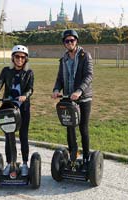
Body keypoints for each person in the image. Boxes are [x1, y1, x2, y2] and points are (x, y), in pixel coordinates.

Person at [0, 45, 34, 177]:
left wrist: (25, 95)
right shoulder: (6, 71)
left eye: (22, 57)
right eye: (17, 56)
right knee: (9, 136)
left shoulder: (29, 73)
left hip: (23, 108)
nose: (20, 59)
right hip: (8, 107)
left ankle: (25, 164)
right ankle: (10, 163)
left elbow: (31, 88)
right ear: (13, 58)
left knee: (23, 136)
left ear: (26, 59)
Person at [52, 29, 93, 170]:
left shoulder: (85, 56)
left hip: (83, 98)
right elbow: (59, 78)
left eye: (72, 40)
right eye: (67, 41)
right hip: (68, 99)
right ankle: (73, 156)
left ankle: (87, 158)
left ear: (76, 41)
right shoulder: (63, 59)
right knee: (70, 128)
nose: (70, 43)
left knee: (83, 128)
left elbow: (89, 76)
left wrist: (79, 91)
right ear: (64, 43)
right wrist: (56, 90)